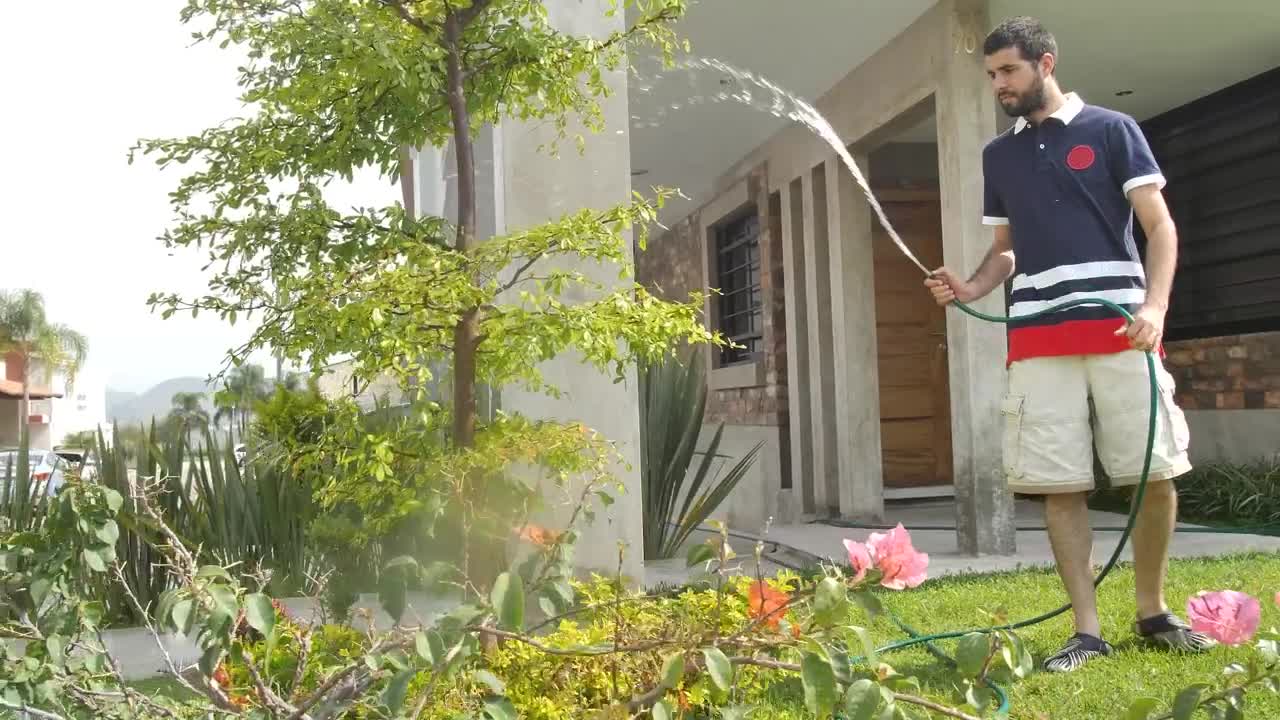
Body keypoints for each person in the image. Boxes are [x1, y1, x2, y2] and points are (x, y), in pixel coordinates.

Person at [925, 16, 1214, 672]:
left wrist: (1156, 307)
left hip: (1122, 330)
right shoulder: (998, 156)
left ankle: (1152, 610)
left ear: (1046, 63)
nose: (999, 84)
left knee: (1156, 472)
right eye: (992, 74)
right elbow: (1007, 252)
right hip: (1037, 338)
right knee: (1059, 484)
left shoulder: (1113, 130)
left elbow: (1159, 227)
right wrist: (970, 286)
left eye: (1009, 71)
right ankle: (1086, 631)